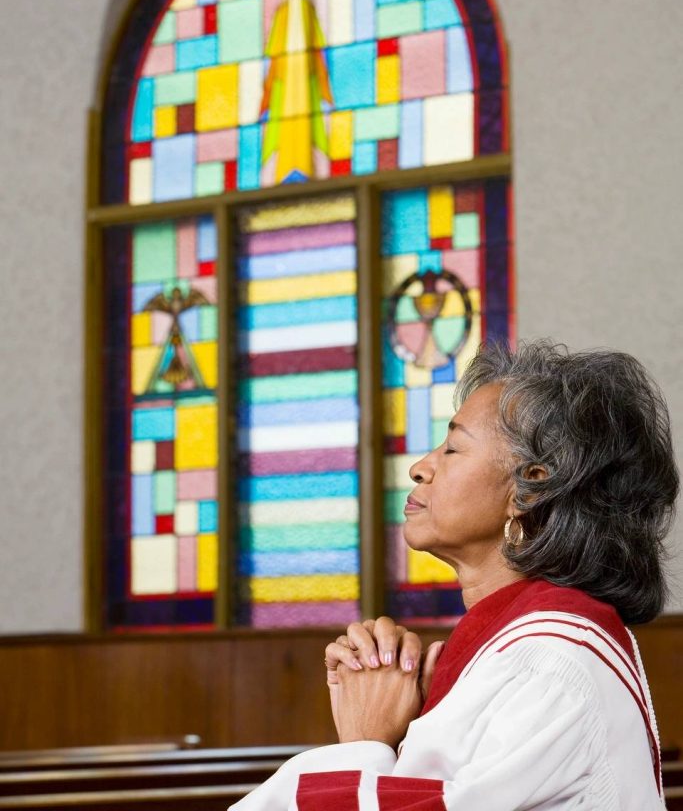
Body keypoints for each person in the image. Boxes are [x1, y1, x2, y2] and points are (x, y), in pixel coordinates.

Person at [230, 340, 678, 810]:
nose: (420, 467)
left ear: (530, 487)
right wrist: (396, 718)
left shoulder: (548, 664)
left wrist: (363, 743)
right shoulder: (511, 651)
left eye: (453, 449)